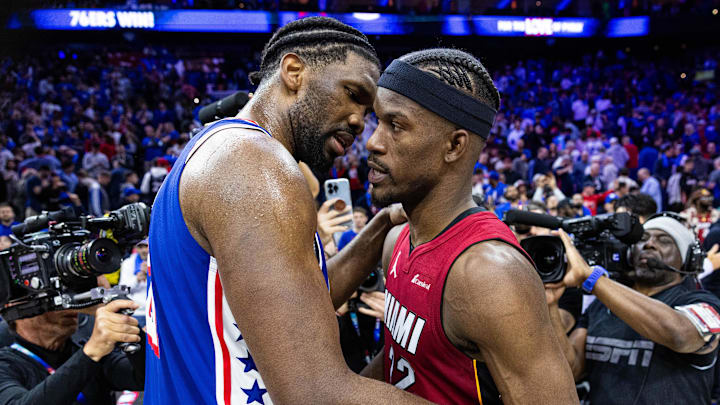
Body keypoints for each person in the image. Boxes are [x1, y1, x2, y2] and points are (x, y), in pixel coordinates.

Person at [145, 17, 432, 404]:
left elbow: (291, 307)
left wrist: (382, 223)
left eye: (368, 112)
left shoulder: (218, 149)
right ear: (294, 71)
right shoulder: (255, 166)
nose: (359, 122)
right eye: (352, 94)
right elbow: (318, 393)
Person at [360, 49, 577, 404]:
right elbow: (404, 359)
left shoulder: (489, 273)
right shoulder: (397, 239)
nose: (373, 142)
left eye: (395, 126)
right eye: (377, 122)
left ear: (455, 145)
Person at [545, 215, 720, 404]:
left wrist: (592, 278)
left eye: (664, 241)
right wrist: (551, 306)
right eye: (642, 239)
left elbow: (679, 334)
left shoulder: (703, 302)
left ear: (687, 260)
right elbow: (572, 370)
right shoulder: (602, 304)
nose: (649, 244)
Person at [0, 301, 144, 404]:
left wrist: (125, 323)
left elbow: (144, 377)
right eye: (53, 299)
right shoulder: (5, 365)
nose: (68, 306)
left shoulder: (89, 350)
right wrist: (91, 353)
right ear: (16, 307)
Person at [119, 239, 149, 327]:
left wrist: (150, 275)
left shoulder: (158, 262)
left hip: (154, 312)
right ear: (136, 248)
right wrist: (137, 280)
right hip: (136, 312)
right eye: (140, 247)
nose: (143, 250)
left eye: (146, 246)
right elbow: (122, 289)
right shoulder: (127, 263)